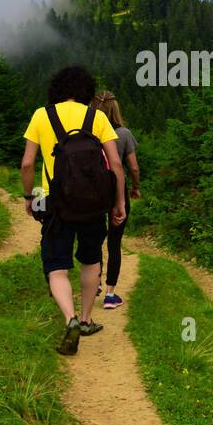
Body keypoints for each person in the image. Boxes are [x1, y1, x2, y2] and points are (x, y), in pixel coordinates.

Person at [21, 65, 127, 355]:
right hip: (93, 203)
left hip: (55, 202)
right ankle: (86, 319)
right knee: (91, 260)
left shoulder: (42, 115)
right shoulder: (97, 117)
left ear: (55, 89)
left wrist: (30, 197)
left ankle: (69, 319)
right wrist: (118, 203)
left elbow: (27, 164)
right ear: (86, 91)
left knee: (57, 266)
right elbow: (116, 165)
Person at [92, 91, 140, 309]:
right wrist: (136, 188)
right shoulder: (124, 134)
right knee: (114, 243)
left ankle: (96, 283)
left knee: (94, 239)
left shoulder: (89, 133)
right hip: (116, 191)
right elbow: (133, 167)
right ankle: (110, 295)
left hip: (93, 192)